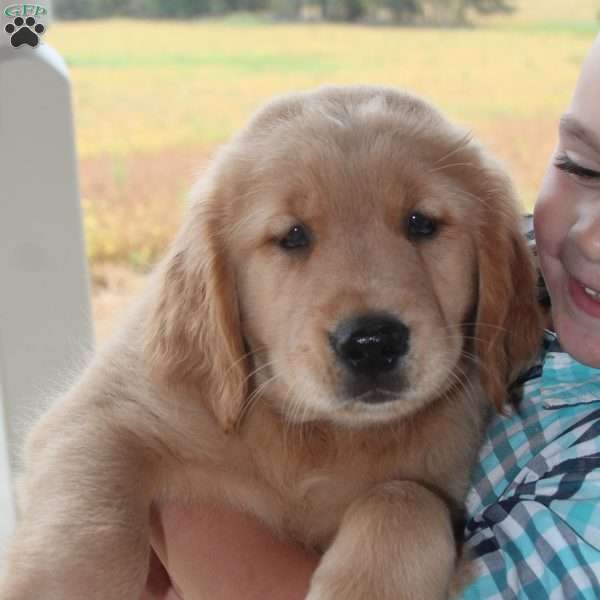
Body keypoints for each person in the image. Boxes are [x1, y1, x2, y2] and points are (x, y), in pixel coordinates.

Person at [143, 33, 600, 600]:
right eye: (582, 166)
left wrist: (179, 491)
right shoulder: (539, 266)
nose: (594, 238)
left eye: (421, 227)